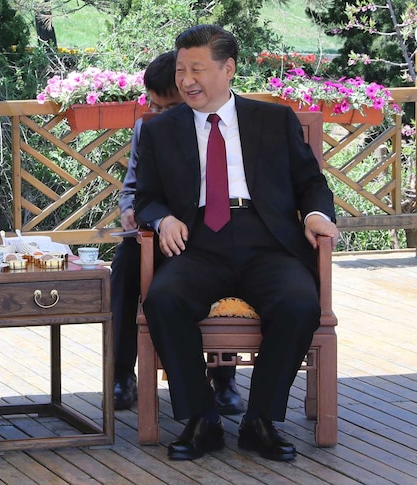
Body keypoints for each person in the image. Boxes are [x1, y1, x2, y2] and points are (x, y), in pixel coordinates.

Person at [134, 25, 338, 462]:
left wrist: (319, 216)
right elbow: (144, 196)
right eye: (182, 69)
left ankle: (260, 420)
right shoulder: (160, 130)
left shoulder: (273, 119)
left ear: (228, 69)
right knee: (163, 300)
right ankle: (201, 419)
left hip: (267, 239)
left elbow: (311, 184)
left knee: (300, 303)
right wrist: (162, 217)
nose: (186, 79)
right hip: (197, 241)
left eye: (197, 69)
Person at [111, 51, 244, 416]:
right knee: (124, 264)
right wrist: (128, 211)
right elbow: (132, 187)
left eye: (166, 107)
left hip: (208, 234)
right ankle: (122, 372)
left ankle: (223, 377)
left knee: (229, 253)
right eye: (151, 105)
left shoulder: (223, 126)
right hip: (157, 232)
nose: (156, 114)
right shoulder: (148, 128)